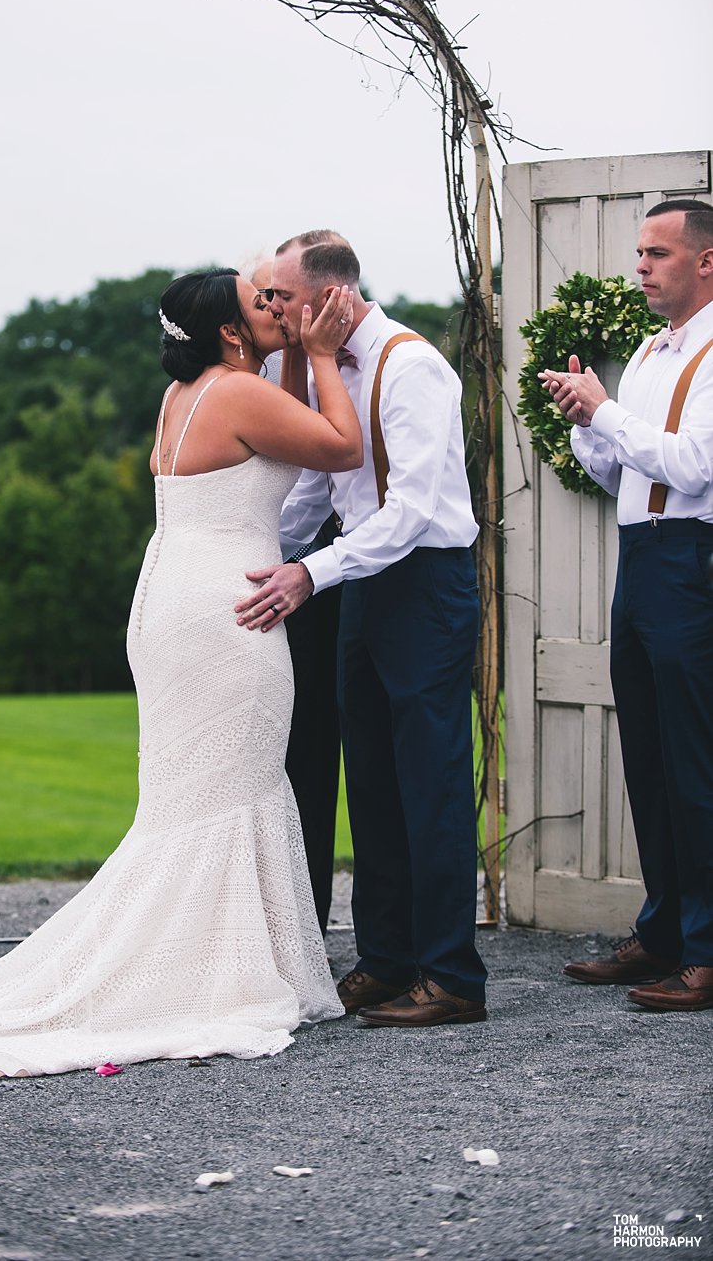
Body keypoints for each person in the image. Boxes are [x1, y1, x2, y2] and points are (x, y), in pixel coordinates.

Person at [0, 268, 362, 1080]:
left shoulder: (193, 394)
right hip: (227, 612)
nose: (278, 307)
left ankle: (209, 964)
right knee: (228, 787)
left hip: (177, 600)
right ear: (231, 334)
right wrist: (321, 352)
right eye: (261, 302)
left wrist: (289, 347)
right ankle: (205, 976)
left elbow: (266, 428)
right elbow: (344, 446)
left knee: (201, 793)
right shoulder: (244, 395)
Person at [236, 230, 488, 1029]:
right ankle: (385, 961)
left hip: (425, 586)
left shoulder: (410, 366)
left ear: (331, 296)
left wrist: (315, 572)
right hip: (362, 584)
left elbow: (410, 511)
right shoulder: (322, 372)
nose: (275, 309)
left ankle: (452, 976)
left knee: (433, 784)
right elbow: (318, 488)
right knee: (373, 782)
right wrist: (258, 558)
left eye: (284, 296)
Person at [540, 199, 713, 1014]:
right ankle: (666, 929)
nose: (639, 267)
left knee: (696, 760)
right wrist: (585, 423)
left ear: (705, 260)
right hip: (641, 557)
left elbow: (690, 465)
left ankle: (708, 951)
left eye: (656, 253)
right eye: (638, 253)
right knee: (645, 751)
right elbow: (628, 478)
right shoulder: (647, 351)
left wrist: (607, 409)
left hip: (695, 563)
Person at [249, 257, 343, 935]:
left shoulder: (325, 367)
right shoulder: (248, 380)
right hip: (260, 572)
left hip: (313, 575)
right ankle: (261, 924)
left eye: (278, 294)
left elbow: (309, 489)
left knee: (308, 754)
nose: (272, 306)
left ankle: (301, 924)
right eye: (262, 297)